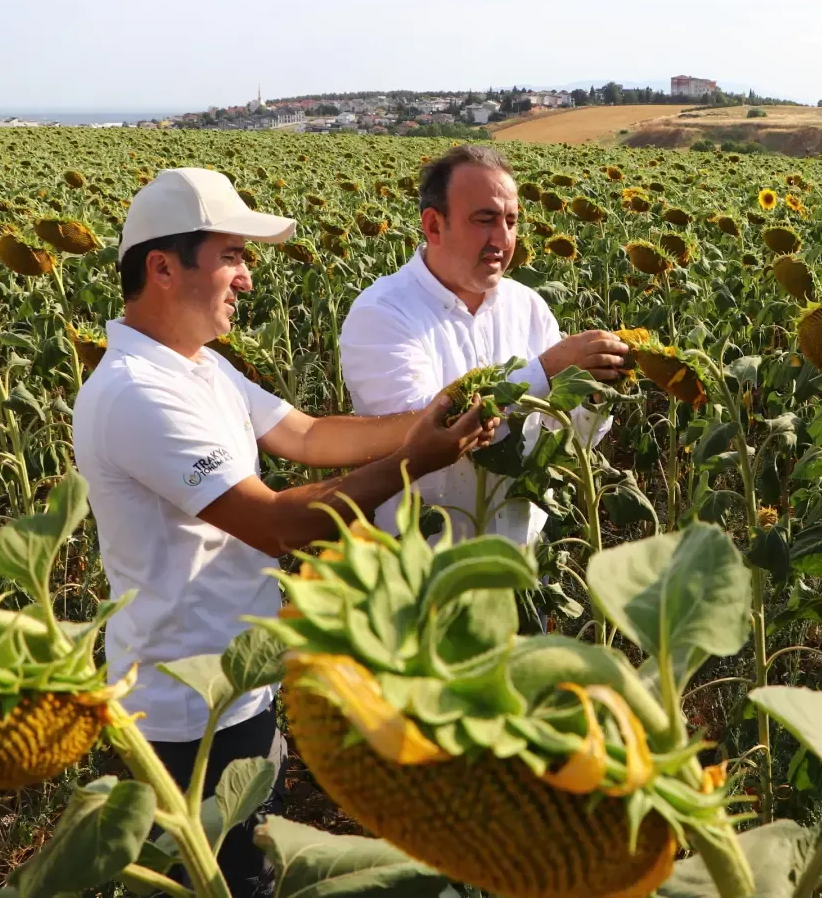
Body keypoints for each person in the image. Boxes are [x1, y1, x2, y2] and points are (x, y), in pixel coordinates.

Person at [72, 168, 496, 898]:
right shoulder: (138, 393)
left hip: (238, 683)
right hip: (181, 712)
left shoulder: (197, 368)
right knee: (222, 881)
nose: (246, 277)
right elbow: (273, 521)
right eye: (232, 255)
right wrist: (413, 461)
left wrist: (430, 418)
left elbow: (306, 432)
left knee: (252, 868)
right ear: (163, 267)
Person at [338, 145, 627, 548]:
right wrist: (546, 371)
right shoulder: (382, 312)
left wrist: (593, 396)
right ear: (434, 226)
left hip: (519, 561)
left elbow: (567, 437)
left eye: (511, 221)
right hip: (425, 563)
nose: (503, 239)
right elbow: (423, 430)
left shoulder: (527, 306)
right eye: (485, 220)